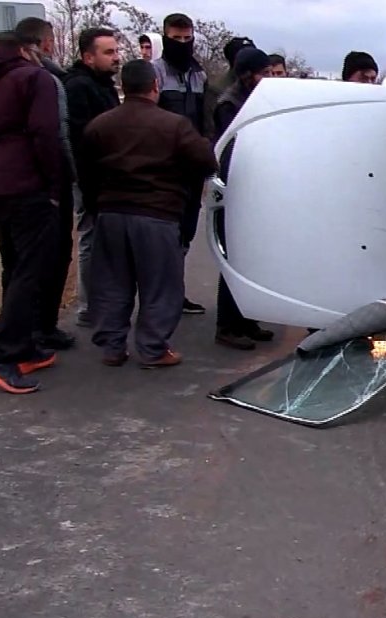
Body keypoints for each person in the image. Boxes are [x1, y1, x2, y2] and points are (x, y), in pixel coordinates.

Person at [82, 59, 218, 369]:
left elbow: (86, 172)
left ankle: (113, 346)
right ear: (155, 86)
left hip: (111, 213)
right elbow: (206, 162)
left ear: (124, 87)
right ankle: (153, 349)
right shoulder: (174, 125)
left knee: (112, 283)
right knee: (160, 285)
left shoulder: (99, 125)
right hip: (157, 214)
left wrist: (97, 207)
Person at [0, 31, 63, 393]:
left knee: (13, 265)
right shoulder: (34, 78)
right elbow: (45, 132)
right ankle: (5, 356)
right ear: (24, 50)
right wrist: (53, 184)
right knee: (30, 270)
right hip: (26, 185)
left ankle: (23, 346)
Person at [16, 17, 78, 351]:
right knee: (48, 257)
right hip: (43, 182)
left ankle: (30, 330)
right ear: (47, 43)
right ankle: (38, 329)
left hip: (12, 182)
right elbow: (56, 134)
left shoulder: (3, 78)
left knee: (22, 260)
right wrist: (65, 177)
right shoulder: (47, 79)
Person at [211, 47, 274, 350]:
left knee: (251, 258)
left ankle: (246, 319)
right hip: (235, 189)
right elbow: (232, 149)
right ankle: (227, 325)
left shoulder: (252, 99)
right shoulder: (229, 104)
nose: (267, 78)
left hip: (254, 189)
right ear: (247, 74)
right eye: (263, 72)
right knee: (234, 258)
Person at [151, 12, 214, 315]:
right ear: (165, 37)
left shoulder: (199, 76)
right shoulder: (155, 73)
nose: (182, 43)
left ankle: (176, 292)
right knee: (164, 235)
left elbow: (203, 122)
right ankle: (159, 296)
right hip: (164, 169)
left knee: (185, 234)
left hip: (191, 169)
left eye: (187, 38)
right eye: (176, 38)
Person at [65, 27, 121, 329]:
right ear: (88, 57)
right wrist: (88, 187)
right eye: (108, 52)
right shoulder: (78, 87)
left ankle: (100, 302)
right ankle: (88, 307)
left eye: (116, 51)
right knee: (91, 240)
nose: (116, 58)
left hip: (106, 177)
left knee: (105, 242)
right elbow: (80, 140)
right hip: (90, 179)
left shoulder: (104, 85)